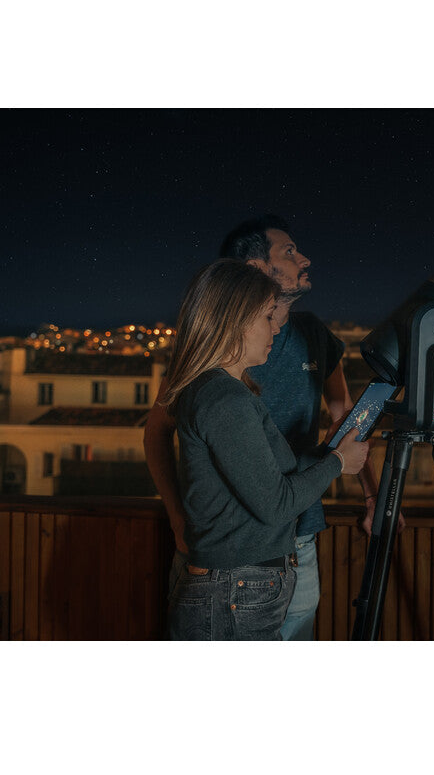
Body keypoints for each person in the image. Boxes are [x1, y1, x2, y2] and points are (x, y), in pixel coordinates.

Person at [144, 215, 388, 641]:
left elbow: (341, 422)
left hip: (285, 542)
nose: (304, 259)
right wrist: (179, 521)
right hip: (233, 561)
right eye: (288, 252)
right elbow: (159, 431)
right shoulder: (220, 386)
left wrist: (369, 492)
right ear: (255, 271)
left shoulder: (303, 340)